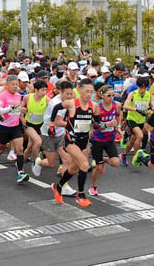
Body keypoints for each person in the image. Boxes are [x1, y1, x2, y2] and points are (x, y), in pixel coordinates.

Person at [50, 78, 96, 207]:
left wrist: (102, 125)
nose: (89, 94)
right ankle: (81, 195)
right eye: (86, 91)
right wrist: (52, 123)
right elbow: (57, 108)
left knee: (73, 169)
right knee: (84, 165)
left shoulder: (94, 106)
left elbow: (96, 123)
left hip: (84, 141)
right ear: (80, 90)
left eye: (91, 92)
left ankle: (58, 186)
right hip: (71, 140)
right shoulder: (71, 103)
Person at [88, 85, 122, 196]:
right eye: (108, 95)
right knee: (97, 167)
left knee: (116, 163)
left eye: (113, 95)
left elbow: (117, 117)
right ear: (102, 95)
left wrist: (118, 128)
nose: (111, 98)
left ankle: (103, 160)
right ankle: (93, 186)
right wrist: (107, 124)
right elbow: (95, 126)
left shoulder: (116, 106)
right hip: (97, 139)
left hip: (109, 138)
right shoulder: (97, 107)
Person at [121, 77, 154, 166]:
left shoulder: (149, 95)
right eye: (141, 88)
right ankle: (137, 157)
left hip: (141, 120)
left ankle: (123, 155)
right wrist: (136, 109)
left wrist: (152, 108)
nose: (142, 90)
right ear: (138, 86)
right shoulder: (132, 94)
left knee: (133, 140)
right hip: (132, 119)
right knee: (140, 136)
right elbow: (125, 106)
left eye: (145, 88)